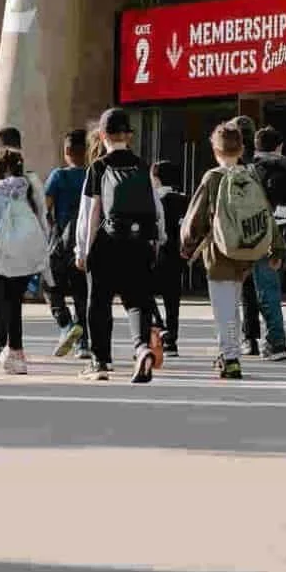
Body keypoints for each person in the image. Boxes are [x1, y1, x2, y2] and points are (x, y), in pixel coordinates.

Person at [78, 108, 165, 384]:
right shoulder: (142, 166)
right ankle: (141, 349)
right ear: (128, 135)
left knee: (99, 303)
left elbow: (89, 213)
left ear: (102, 135)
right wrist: (156, 241)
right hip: (139, 243)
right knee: (138, 302)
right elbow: (157, 209)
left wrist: (82, 250)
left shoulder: (99, 167)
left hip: (106, 243)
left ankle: (100, 361)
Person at [180, 117, 268, 381]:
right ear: (241, 149)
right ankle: (233, 352)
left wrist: (187, 245)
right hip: (246, 249)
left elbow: (195, 217)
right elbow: (265, 213)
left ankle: (229, 357)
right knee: (235, 303)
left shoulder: (213, 177)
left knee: (223, 307)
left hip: (219, 252)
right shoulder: (250, 175)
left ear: (215, 150)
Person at [0, 148, 43, 373]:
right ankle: (16, 349)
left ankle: (10, 349)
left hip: (2, 254)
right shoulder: (29, 187)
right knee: (15, 302)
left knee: (4, 301)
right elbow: (41, 216)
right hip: (26, 252)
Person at [246, 127, 286, 362]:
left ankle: (274, 341)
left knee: (261, 291)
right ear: (279, 147)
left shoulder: (252, 172)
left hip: (257, 235)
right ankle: (271, 340)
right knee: (270, 288)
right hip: (284, 235)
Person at [43, 129, 90, 357]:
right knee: (82, 293)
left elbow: (44, 207)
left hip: (61, 243)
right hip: (87, 243)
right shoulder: (93, 174)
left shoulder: (58, 176)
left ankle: (66, 324)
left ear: (67, 151)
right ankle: (84, 345)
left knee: (50, 286)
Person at [151, 160, 187, 358]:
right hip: (177, 256)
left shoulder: (155, 199)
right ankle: (172, 339)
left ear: (156, 178)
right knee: (173, 301)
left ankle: (159, 325)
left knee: (145, 293)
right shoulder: (185, 200)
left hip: (157, 255)